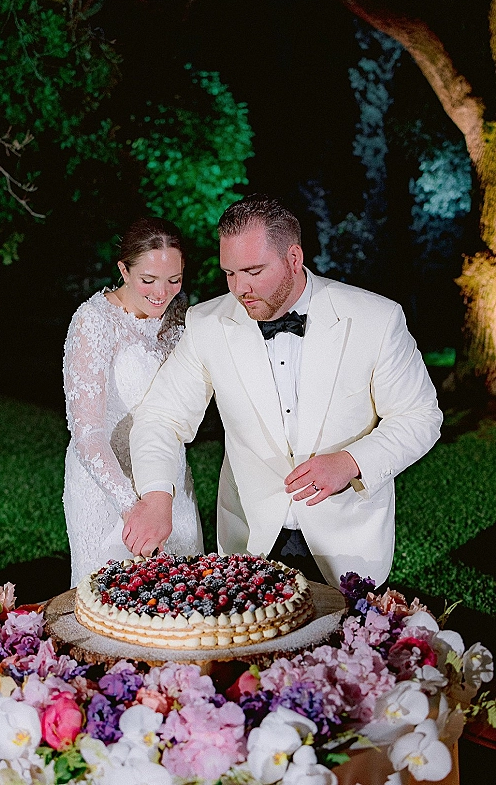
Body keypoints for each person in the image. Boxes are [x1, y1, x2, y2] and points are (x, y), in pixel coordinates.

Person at [127, 194, 442, 588]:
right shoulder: (207, 324)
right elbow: (161, 416)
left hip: (348, 541)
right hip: (251, 540)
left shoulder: (377, 319)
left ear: (293, 258)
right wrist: (157, 495)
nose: (240, 288)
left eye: (254, 270)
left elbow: (421, 417)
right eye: (229, 273)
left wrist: (350, 462)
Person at [62, 216, 203, 587]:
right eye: (148, 280)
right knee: (107, 606)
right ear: (124, 270)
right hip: (108, 486)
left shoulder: (180, 318)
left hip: (168, 481)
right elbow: (87, 431)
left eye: (174, 280)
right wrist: (133, 507)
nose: (162, 292)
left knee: (184, 598)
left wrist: (160, 500)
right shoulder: (93, 322)